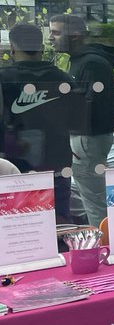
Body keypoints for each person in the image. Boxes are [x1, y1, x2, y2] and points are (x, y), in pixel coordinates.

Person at [0, 22, 75, 222]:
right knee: (59, 222)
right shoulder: (63, 78)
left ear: (13, 48)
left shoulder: (3, 78)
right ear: (41, 48)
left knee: (18, 224)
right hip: (57, 164)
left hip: (15, 167)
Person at [49, 13, 114, 225]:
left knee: (95, 200)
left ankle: (104, 247)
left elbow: (87, 105)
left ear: (75, 35)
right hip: (86, 138)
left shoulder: (91, 63)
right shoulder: (84, 61)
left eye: (56, 32)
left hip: (88, 139)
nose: (50, 37)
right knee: (91, 196)